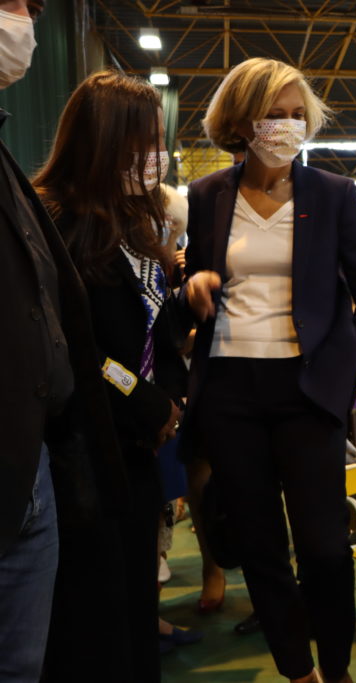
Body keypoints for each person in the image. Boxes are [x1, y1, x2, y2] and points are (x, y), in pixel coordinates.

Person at [183, 57, 356, 683]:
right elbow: (194, 282)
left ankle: (336, 668)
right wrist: (193, 286)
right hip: (230, 390)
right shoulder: (207, 196)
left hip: (307, 390)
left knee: (326, 549)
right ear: (243, 121)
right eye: (277, 114)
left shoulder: (331, 194)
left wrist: (348, 361)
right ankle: (298, 673)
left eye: (299, 115)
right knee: (262, 549)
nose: (289, 126)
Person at [34, 69, 190, 682]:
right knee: (95, 627)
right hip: (85, 457)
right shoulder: (55, 223)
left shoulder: (135, 224)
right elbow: (83, 351)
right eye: (142, 142)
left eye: (158, 141)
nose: (154, 156)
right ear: (104, 141)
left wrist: (171, 392)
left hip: (136, 454)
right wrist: (150, 403)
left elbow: (152, 326)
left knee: (133, 612)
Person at [0, 3, 124, 681]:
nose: (25, 20)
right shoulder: (63, 211)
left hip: (43, 464)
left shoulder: (12, 175)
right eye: (13, 3)